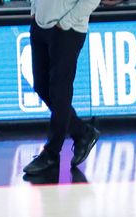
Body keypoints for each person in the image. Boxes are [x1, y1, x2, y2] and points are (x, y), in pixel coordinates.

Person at [23, 0, 102, 181]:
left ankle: (51, 153)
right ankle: (82, 132)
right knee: (41, 85)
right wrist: (34, 8)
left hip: (68, 30)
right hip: (40, 23)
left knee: (60, 92)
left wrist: (67, 22)